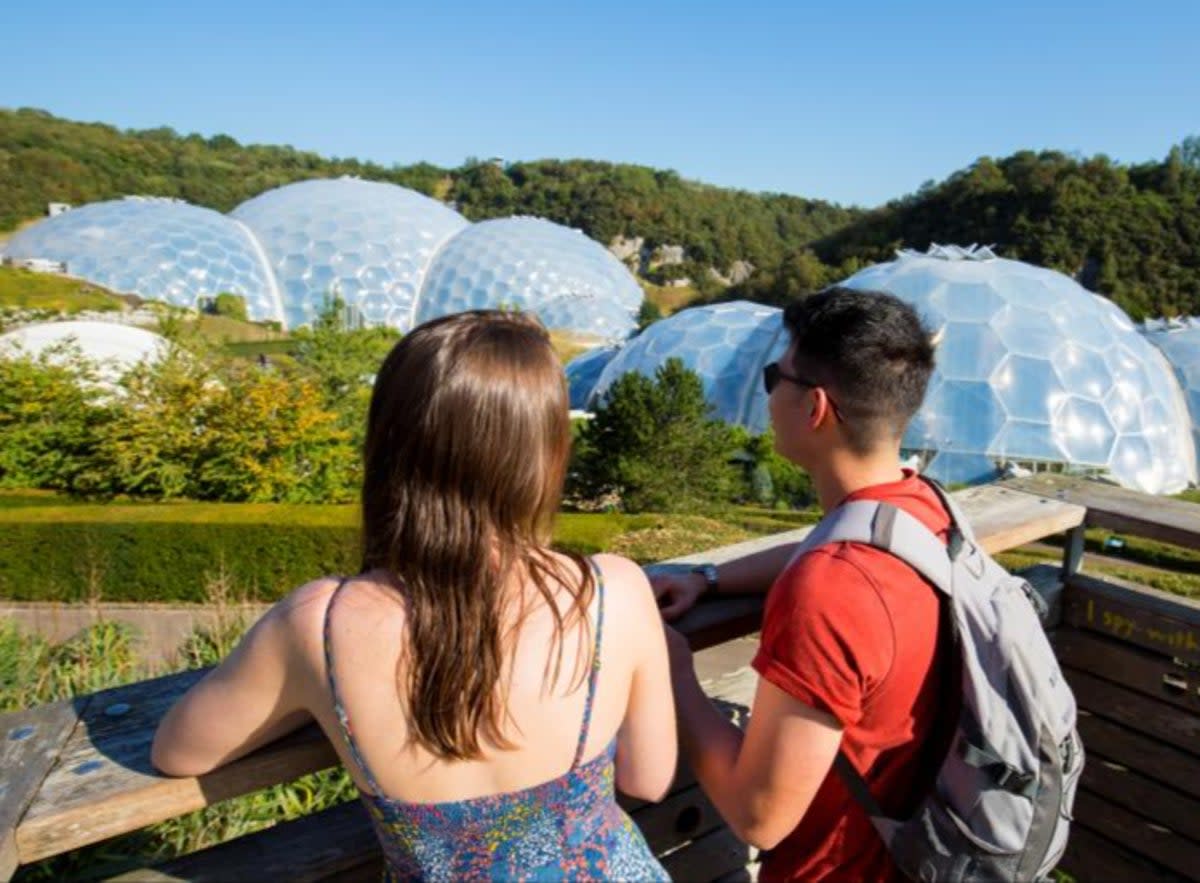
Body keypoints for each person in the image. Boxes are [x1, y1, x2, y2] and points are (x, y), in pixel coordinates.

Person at [153, 310, 676, 882]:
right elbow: (647, 779)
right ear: (546, 452)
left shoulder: (318, 625)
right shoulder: (613, 592)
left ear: (390, 444)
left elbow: (180, 752)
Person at [652, 288, 951, 883]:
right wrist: (707, 578)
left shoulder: (830, 593)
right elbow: (830, 541)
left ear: (814, 407)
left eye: (774, 377)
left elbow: (758, 818)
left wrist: (671, 668)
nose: (768, 396)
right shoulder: (921, 510)